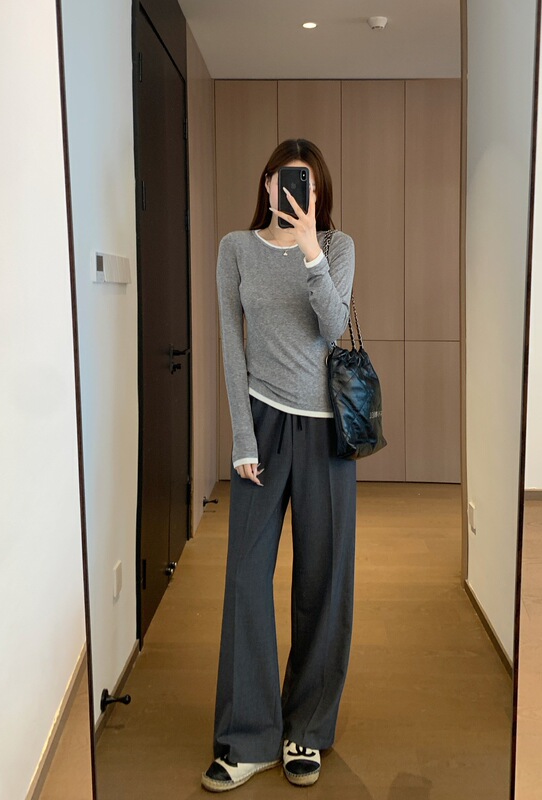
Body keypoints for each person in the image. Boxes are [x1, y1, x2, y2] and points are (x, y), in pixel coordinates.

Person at [201, 139, 357, 793]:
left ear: (317, 194)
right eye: (283, 180)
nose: (292, 193)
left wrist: (311, 249)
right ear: (266, 185)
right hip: (261, 425)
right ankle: (248, 736)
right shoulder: (235, 249)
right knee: (245, 580)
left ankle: (306, 731)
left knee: (324, 581)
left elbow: (333, 326)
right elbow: (230, 345)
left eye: (305, 185)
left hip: (326, 432)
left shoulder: (337, 247)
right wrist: (242, 437)